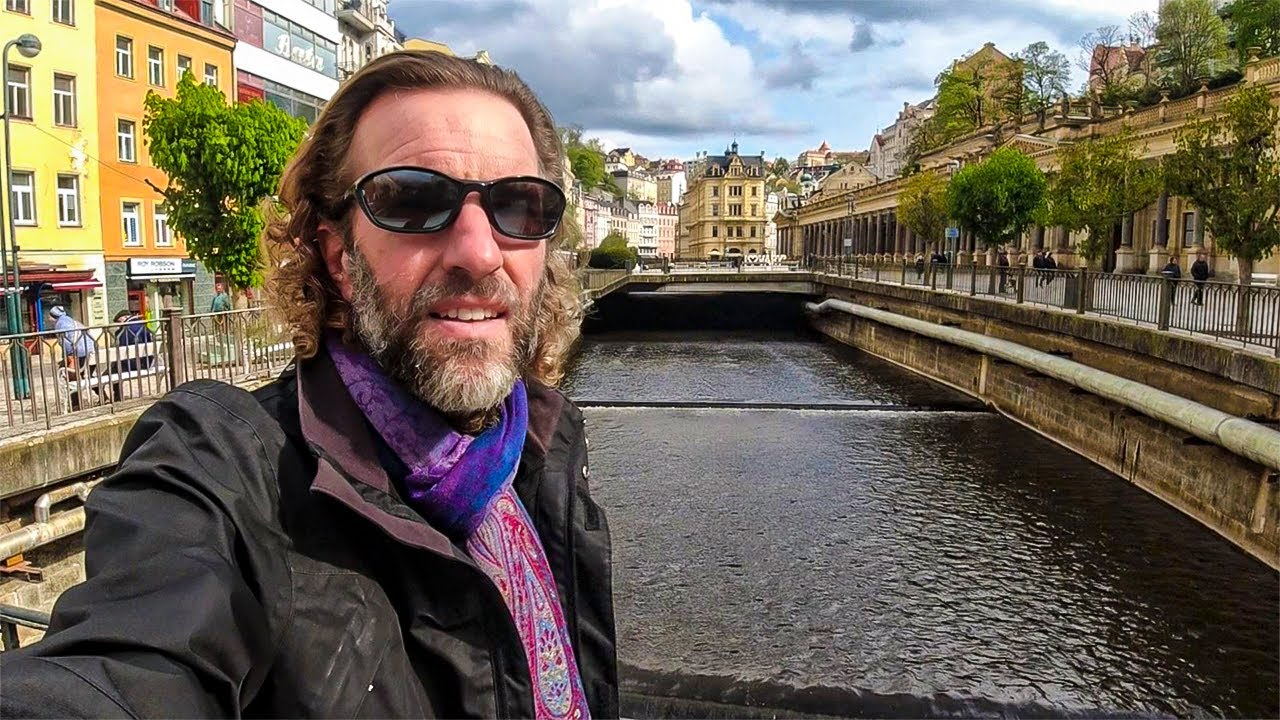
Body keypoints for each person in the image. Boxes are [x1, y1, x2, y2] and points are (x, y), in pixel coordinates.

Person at [1, 51, 618, 719]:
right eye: (413, 200)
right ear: (337, 256)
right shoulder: (225, 470)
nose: (480, 251)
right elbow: (128, 665)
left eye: (520, 206)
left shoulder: (543, 447)